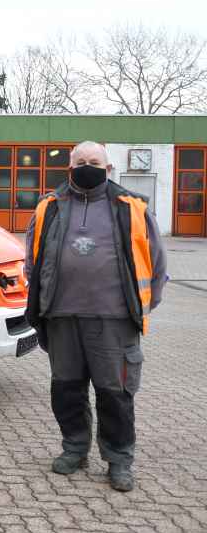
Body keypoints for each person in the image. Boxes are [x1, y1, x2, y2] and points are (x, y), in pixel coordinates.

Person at [25, 141, 166, 492]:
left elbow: (157, 264)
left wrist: (142, 306)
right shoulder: (49, 207)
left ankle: (119, 460)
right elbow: (32, 257)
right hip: (61, 317)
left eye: (95, 161)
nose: (87, 166)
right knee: (66, 391)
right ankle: (74, 449)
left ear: (108, 168)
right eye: (81, 161)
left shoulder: (131, 207)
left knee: (115, 394)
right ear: (69, 167)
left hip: (113, 321)